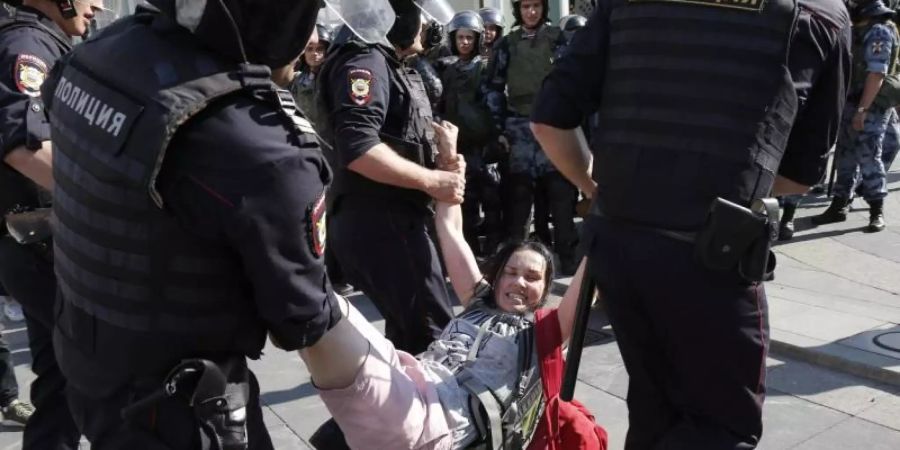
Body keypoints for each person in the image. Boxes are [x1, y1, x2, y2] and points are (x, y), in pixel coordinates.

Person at [530, 0, 850, 448]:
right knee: (722, 427)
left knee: (652, 406)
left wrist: (599, 187)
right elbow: (802, 174)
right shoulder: (819, 13)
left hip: (620, 243)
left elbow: (549, 120)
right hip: (711, 256)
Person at [43, 0, 354, 446]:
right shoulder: (265, 148)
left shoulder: (105, 48)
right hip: (172, 403)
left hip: (85, 348)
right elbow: (302, 319)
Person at [301, 119, 591, 450]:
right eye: (510, 272)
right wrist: (450, 163)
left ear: (547, 291)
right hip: (409, 379)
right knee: (335, 311)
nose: (518, 282)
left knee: (312, 308)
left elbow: (587, 285)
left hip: (435, 422)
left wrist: (607, 210)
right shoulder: (480, 299)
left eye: (532, 277)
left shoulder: (543, 336)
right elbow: (451, 230)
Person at [0, 0, 114, 447]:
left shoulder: (39, 37)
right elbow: (23, 146)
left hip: (40, 242)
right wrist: (115, 201)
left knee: (63, 383)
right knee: (104, 375)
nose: (100, 4)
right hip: (43, 241)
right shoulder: (26, 42)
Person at [317, 0, 460, 355]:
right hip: (382, 221)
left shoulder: (386, 62)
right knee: (434, 343)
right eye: (418, 15)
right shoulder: (364, 60)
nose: (424, 25)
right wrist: (432, 181)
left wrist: (442, 154)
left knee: (411, 343)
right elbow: (359, 146)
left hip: (390, 219)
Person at [481, 0, 578, 276]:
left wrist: (569, 125)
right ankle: (517, 265)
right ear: (518, 10)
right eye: (525, 7)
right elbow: (494, 89)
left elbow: (572, 83)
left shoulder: (559, 40)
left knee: (561, 198)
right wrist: (500, 130)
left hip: (553, 127)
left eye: (536, 6)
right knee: (520, 201)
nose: (531, 12)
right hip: (519, 130)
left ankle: (568, 261)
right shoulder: (508, 44)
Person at [813, 0, 896, 232]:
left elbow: (877, 73)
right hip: (850, 101)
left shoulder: (879, 29)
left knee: (869, 155)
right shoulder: (859, 26)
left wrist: (862, 110)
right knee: (845, 155)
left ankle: (876, 210)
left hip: (868, 105)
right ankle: (840, 204)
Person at [437, 10, 502, 257]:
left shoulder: (485, 68)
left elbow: (496, 104)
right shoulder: (445, 69)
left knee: (493, 201)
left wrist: (498, 135)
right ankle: (470, 252)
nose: (464, 42)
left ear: (477, 39)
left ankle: (496, 253)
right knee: (467, 204)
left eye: (469, 38)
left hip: (484, 147)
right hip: (459, 147)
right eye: (460, 37)